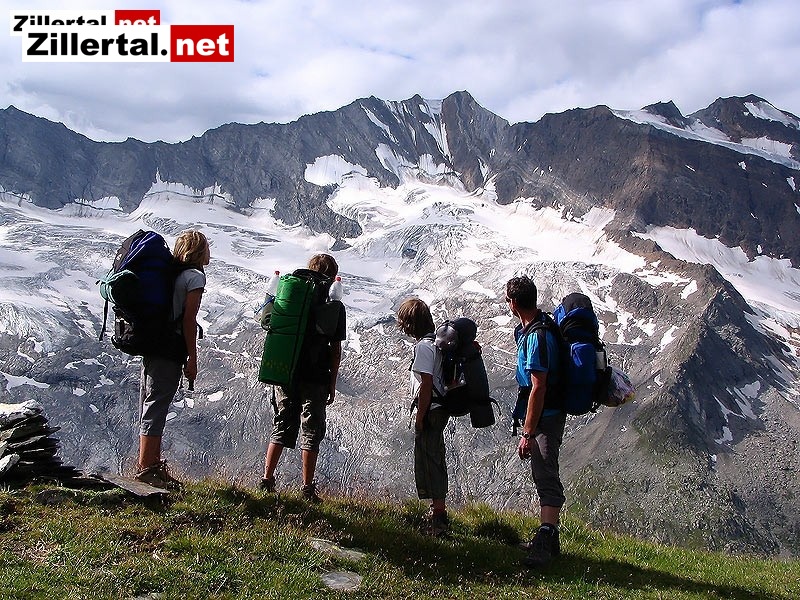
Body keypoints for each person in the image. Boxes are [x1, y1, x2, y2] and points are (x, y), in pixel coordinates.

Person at [261, 254, 346, 502]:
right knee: (311, 429)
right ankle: (307, 488)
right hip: (316, 374)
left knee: (282, 422)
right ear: (332, 277)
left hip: (286, 369)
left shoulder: (291, 294)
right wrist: (332, 383)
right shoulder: (333, 303)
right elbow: (335, 350)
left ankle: (267, 479)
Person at [135, 230, 210, 489]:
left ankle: (151, 464)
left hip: (153, 343)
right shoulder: (195, 277)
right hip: (170, 347)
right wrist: (192, 359)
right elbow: (189, 320)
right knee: (157, 406)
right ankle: (147, 469)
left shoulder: (171, 273)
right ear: (200, 251)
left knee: (149, 402)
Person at [505, 276, 566, 567]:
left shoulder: (536, 336)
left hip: (547, 414)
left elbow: (538, 386)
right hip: (548, 411)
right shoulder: (537, 327)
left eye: (508, 299)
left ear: (514, 303)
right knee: (542, 471)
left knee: (545, 471)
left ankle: (546, 537)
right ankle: (549, 538)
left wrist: (527, 433)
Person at [397, 297, 451, 537]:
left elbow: (426, 383)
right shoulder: (436, 344)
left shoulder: (423, 347)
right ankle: (437, 511)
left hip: (431, 410)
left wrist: (420, 416)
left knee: (430, 461)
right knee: (435, 457)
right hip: (440, 408)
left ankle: (438, 519)